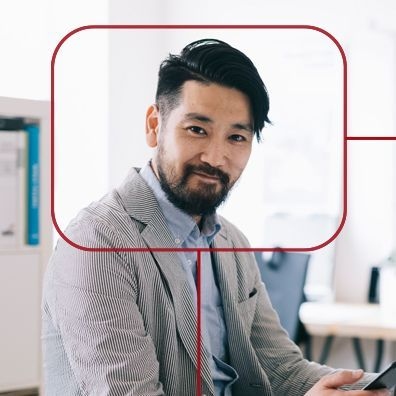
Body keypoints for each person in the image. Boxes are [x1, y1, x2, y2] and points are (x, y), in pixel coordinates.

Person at [42, 39, 391, 396]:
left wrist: (371, 388)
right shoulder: (95, 243)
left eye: (237, 137)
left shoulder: (231, 243)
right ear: (153, 125)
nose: (216, 157)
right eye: (197, 130)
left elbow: (282, 370)